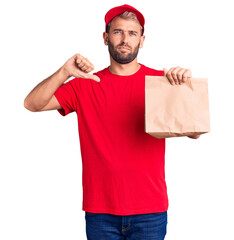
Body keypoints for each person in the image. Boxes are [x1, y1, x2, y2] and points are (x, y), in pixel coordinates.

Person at [24, 4, 200, 240]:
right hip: (100, 212)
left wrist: (184, 89)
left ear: (142, 40)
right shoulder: (85, 84)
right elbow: (32, 104)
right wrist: (64, 72)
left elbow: (195, 132)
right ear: (105, 38)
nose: (125, 39)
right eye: (117, 32)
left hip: (150, 210)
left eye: (132, 33)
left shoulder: (161, 82)